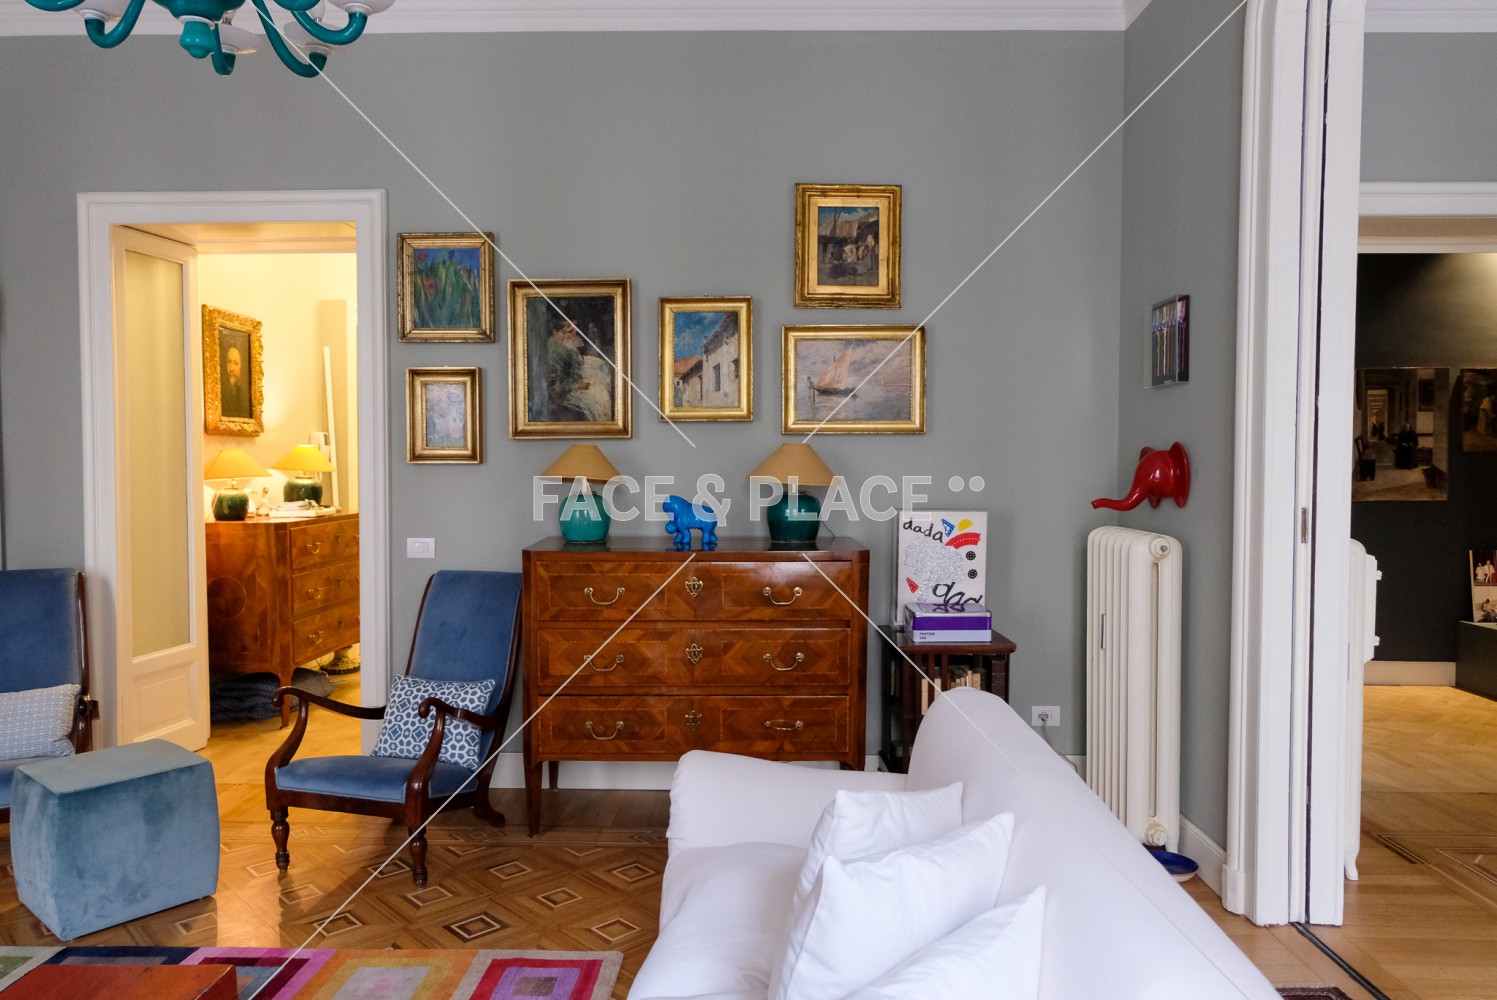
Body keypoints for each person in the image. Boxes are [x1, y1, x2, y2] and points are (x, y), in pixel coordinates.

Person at [220, 344, 251, 418]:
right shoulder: (221, 390)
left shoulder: (247, 394)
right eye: (229, 362)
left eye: (236, 363)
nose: (231, 369)